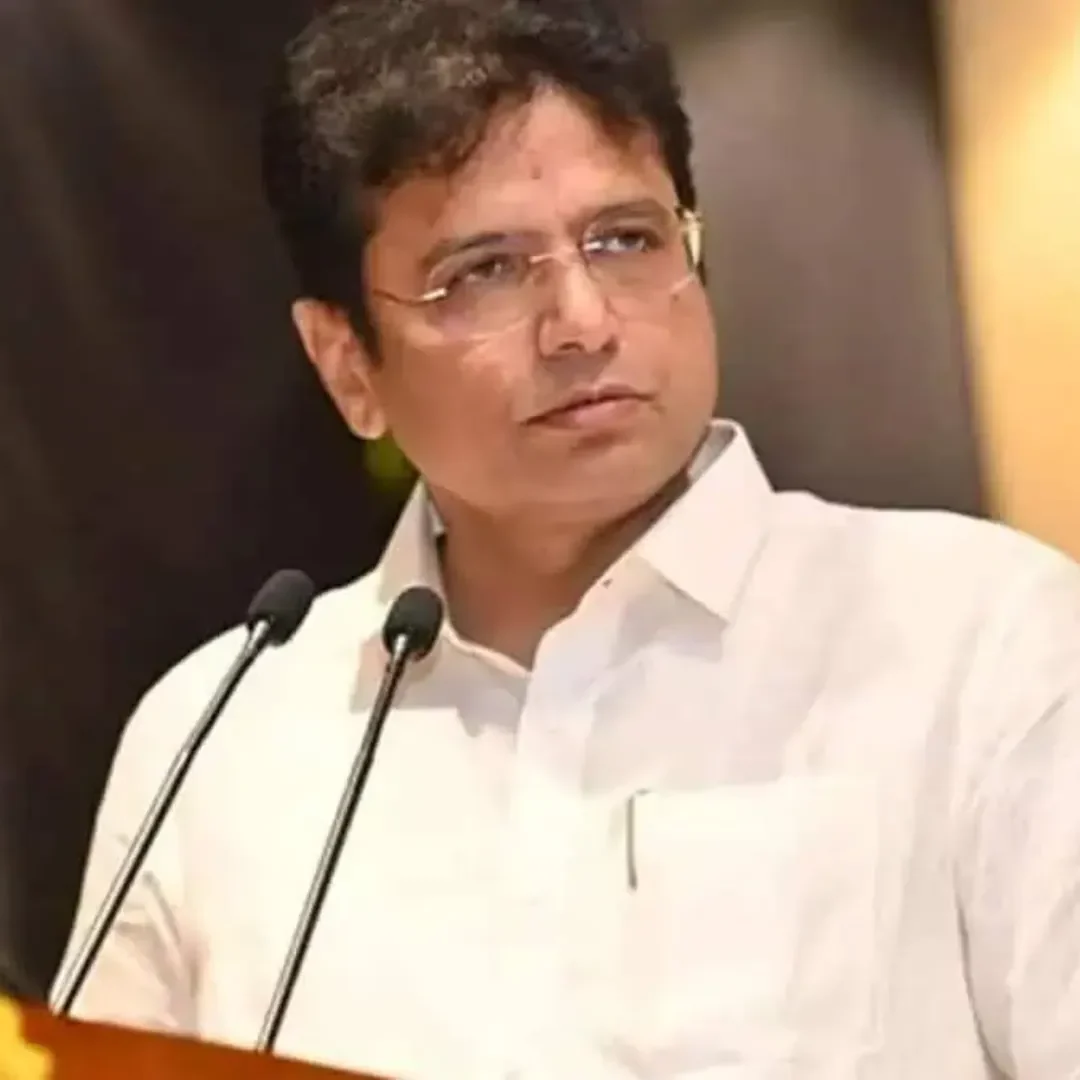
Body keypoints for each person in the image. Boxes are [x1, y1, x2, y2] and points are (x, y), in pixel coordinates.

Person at [54, 1, 1080, 1077]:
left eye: (626, 240)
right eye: (485, 271)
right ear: (348, 364)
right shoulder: (219, 735)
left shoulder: (980, 641)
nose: (584, 322)